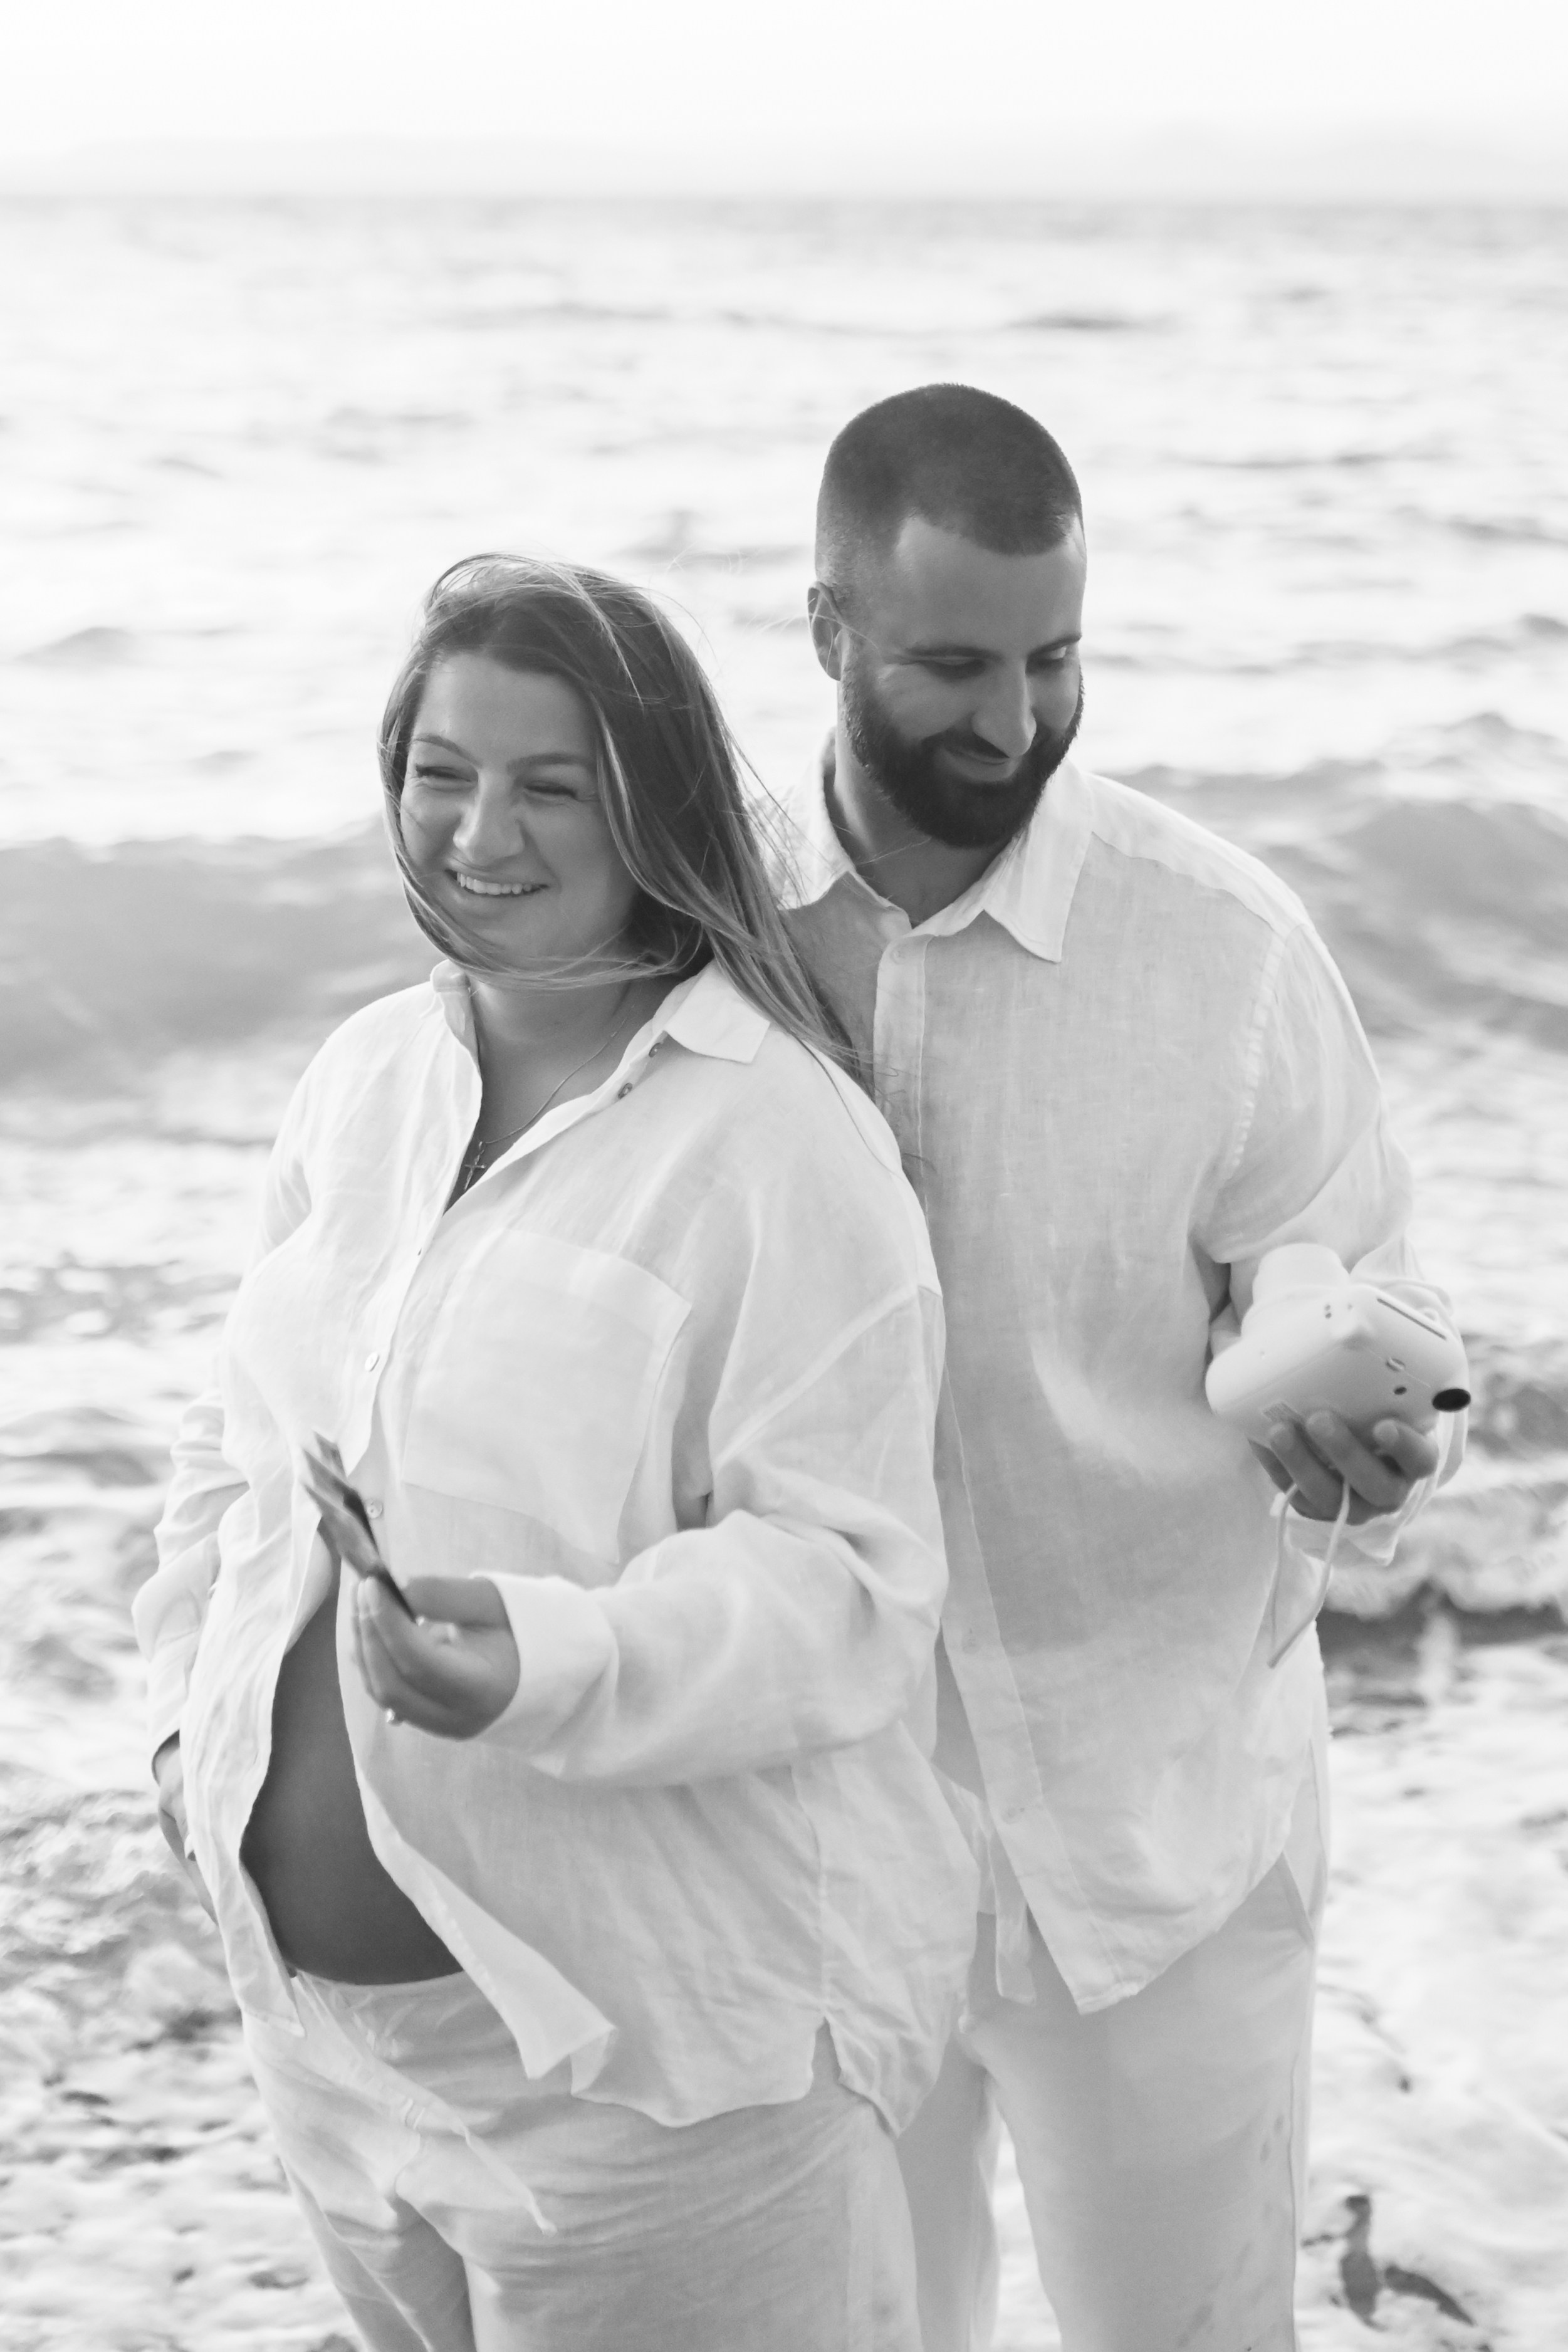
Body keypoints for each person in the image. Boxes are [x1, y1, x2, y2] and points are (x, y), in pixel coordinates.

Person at [133, 553, 980, 2352]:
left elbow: (849, 1589)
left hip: (649, 2077)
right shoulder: (367, 1080)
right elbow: (235, 1464)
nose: (476, 830)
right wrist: (184, 1729)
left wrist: (547, 1656)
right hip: (340, 2060)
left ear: (648, 802)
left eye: (547, 783)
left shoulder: (775, 1141)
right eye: (442, 771)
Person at [778, 385, 1463, 2352]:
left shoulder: (1224, 950)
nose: (1013, 722)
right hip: (824, 1848)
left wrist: (1366, 1422)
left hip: (1161, 1828)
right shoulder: (704, 928)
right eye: (953, 664)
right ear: (826, 629)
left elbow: (1363, 1279)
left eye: (1059, 657)